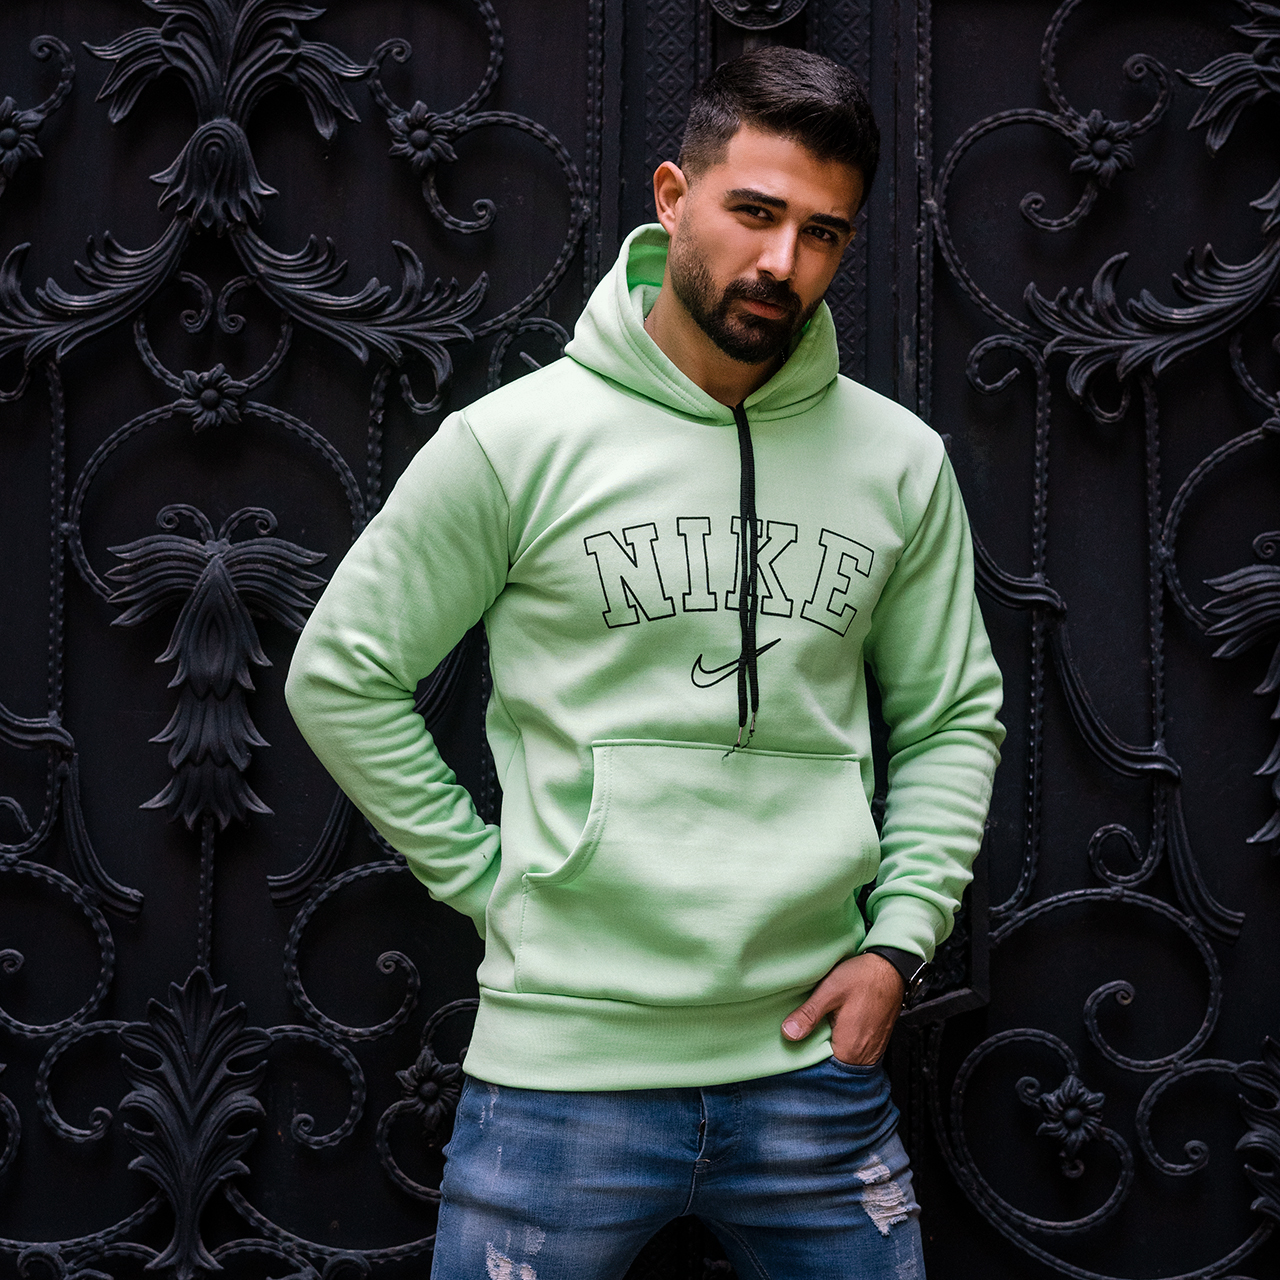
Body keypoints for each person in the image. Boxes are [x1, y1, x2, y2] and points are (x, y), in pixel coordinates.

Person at [286, 45, 1003, 1280]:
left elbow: (949, 716)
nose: (782, 262)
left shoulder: (898, 462)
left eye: (822, 233)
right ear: (673, 196)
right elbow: (342, 673)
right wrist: (492, 883)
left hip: (811, 1072)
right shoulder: (515, 443)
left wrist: (896, 944)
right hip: (561, 1076)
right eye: (754, 212)